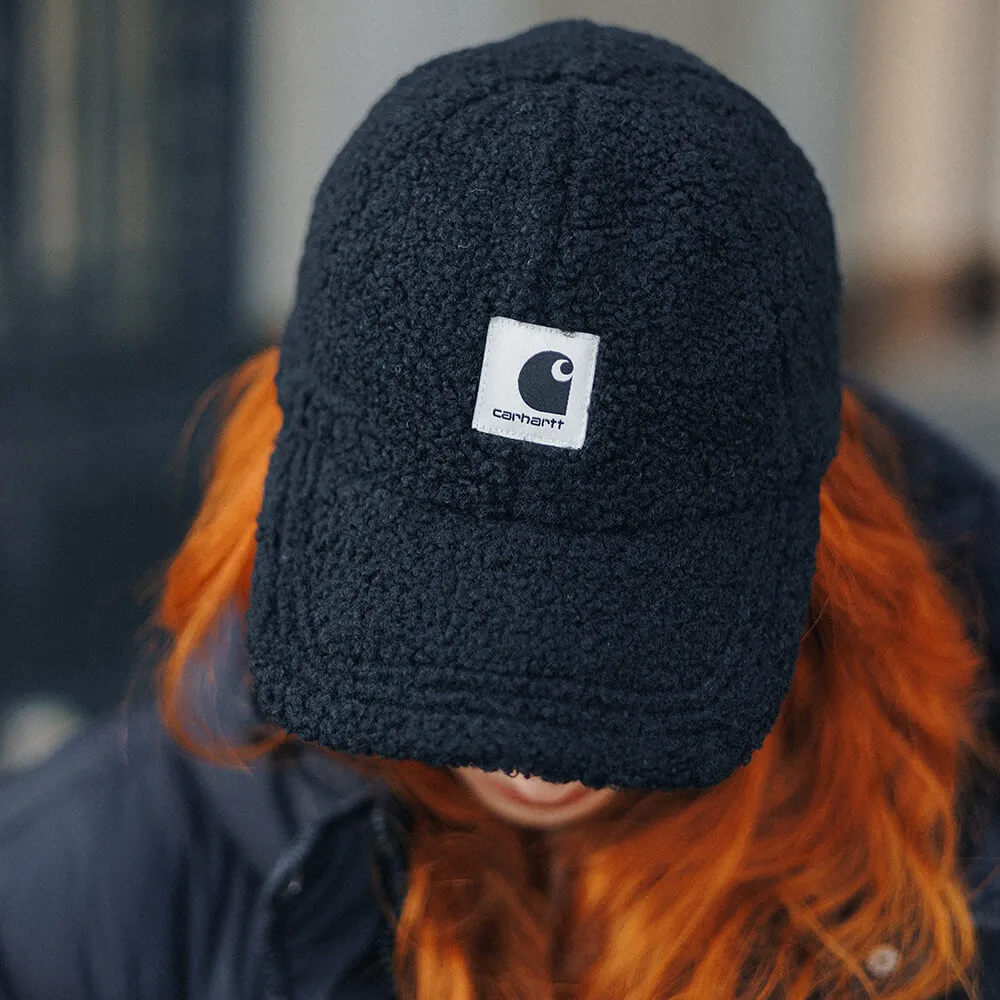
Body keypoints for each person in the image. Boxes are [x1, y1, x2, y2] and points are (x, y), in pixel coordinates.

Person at [2, 19, 1000, 1000]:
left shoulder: (961, 833)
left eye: (619, 620)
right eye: (441, 603)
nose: (529, 761)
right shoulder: (85, 898)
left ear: (813, 531)